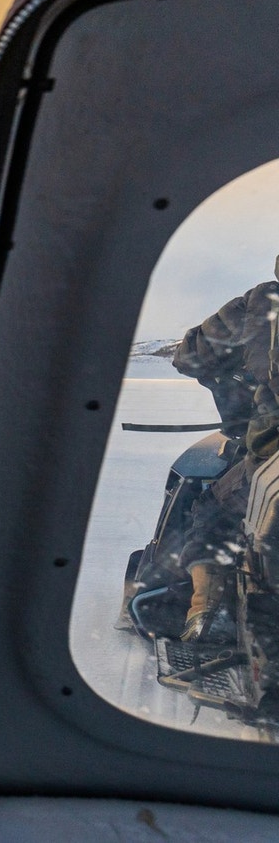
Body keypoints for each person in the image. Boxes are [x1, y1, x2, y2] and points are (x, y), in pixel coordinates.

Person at [171, 257, 279, 641]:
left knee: (213, 511)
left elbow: (191, 355)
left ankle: (208, 616)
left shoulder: (263, 303)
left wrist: (239, 382)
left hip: (273, 451)